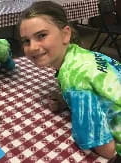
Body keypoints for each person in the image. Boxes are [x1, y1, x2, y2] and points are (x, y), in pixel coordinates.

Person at [19, 1, 121, 160]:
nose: (32, 47)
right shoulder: (81, 55)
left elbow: (106, 149)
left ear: (66, 34)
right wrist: (66, 100)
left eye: (42, 35)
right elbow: (98, 90)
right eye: (26, 41)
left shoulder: (73, 80)